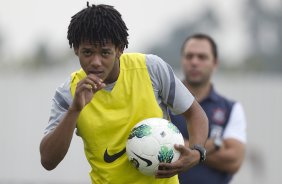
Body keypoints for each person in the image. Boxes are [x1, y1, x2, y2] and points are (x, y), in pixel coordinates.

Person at [39, 3, 209, 184]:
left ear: (119, 49)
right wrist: (74, 110)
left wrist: (197, 152)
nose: (96, 62)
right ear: (76, 49)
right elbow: (48, 161)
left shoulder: (151, 68)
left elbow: (195, 114)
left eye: (105, 53)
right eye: (87, 52)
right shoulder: (69, 92)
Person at [169, 33, 247, 184]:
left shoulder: (231, 109)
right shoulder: (162, 101)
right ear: (182, 60)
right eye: (189, 56)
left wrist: (177, 144)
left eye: (202, 57)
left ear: (215, 63)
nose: (194, 62)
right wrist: (212, 145)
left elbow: (233, 161)